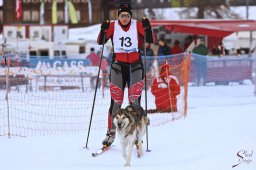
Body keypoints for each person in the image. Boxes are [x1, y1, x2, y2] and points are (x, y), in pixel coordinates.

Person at [97, 1, 153, 147]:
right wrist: (103, 30)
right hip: (118, 67)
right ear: (118, 15)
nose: (124, 18)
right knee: (116, 102)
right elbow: (100, 42)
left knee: (134, 102)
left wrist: (148, 28)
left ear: (130, 16)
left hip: (135, 66)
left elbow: (150, 40)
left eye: (127, 15)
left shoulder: (137, 24)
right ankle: (111, 133)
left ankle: (135, 134)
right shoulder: (113, 26)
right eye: (122, 15)